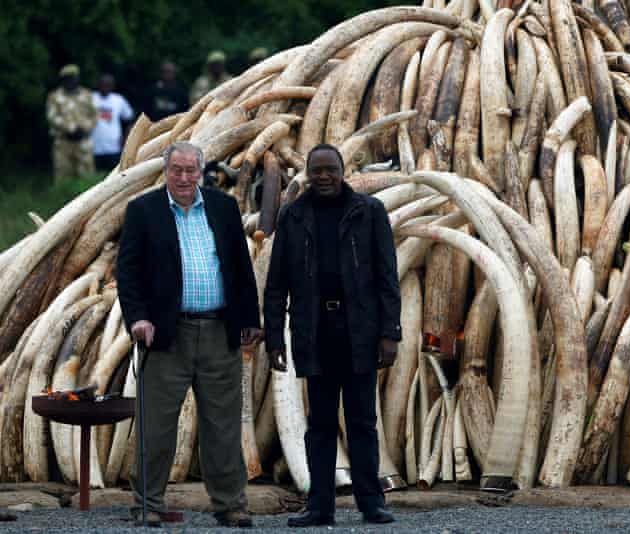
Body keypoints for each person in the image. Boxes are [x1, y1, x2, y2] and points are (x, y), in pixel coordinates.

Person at [116, 141, 262, 528]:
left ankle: (230, 503)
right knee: (157, 423)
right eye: (176, 170)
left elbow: (240, 268)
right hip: (166, 334)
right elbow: (127, 274)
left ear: (201, 172)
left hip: (219, 329)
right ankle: (147, 503)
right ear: (165, 172)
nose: (183, 178)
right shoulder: (143, 211)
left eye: (190, 171)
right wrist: (138, 319)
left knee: (223, 422)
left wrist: (249, 316)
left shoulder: (223, 207)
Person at [264, 144, 401, 527]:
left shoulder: (368, 212)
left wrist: (390, 332)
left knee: (362, 421)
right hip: (314, 332)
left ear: (344, 172)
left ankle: (370, 503)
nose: (324, 177)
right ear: (307, 173)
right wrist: (275, 339)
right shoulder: (293, 216)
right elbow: (276, 285)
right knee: (320, 423)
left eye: (331, 170)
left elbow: (387, 277)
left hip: (360, 331)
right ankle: (320, 505)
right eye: (317, 171)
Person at [46, 64, 97, 181]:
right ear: (63, 80)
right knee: (63, 177)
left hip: (83, 142)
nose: (72, 80)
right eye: (68, 78)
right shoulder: (54, 97)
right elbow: (52, 117)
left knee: (87, 179)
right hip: (63, 142)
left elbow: (94, 115)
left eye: (74, 77)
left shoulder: (87, 94)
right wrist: (71, 128)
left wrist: (85, 128)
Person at [91, 74, 134, 171]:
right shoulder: (90, 98)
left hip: (114, 147)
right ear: (98, 84)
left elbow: (129, 120)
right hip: (94, 147)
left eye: (108, 85)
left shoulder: (118, 100)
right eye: (103, 84)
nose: (106, 87)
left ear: (113, 86)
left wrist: (126, 139)